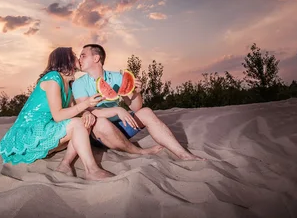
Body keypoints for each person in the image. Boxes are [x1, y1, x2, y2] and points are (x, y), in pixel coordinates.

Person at [65, 44, 203, 165]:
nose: (79, 59)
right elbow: (88, 111)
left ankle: (183, 154)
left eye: (83, 55)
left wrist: (136, 93)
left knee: (146, 111)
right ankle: (138, 151)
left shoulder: (118, 78)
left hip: (120, 129)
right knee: (101, 122)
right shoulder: (79, 84)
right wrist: (117, 110)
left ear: (96, 58)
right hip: (99, 135)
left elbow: (136, 108)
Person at [0, 47, 114, 181]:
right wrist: (86, 104)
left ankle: (65, 165)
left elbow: (72, 111)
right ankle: (92, 170)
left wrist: (85, 112)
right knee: (78, 125)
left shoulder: (68, 83)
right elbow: (58, 115)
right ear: (65, 59)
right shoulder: (53, 78)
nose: (78, 58)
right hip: (31, 132)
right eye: (75, 55)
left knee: (83, 124)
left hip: (47, 130)